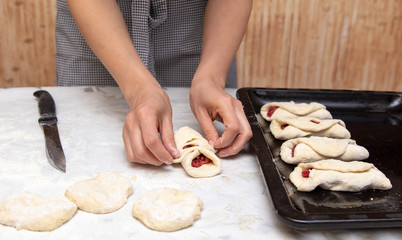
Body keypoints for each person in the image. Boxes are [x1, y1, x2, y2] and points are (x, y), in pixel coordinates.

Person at [55, 0, 253, 166]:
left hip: (201, 29)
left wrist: (212, 78)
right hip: (98, 28)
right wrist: (139, 90)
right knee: (82, 152)